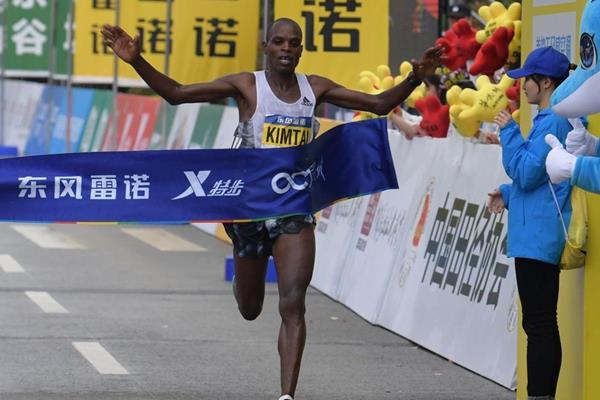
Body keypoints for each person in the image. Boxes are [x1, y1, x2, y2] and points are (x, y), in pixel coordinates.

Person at [102, 18, 442, 400]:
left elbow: (378, 104)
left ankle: (286, 395)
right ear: (266, 46)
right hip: (248, 208)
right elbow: (178, 93)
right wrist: (136, 61)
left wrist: (415, 77)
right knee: (250, 309)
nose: (286, 49)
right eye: (278, 42)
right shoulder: (247, 86)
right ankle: (244, 275)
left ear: (301, 49)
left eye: (293, 43)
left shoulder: (315, 88)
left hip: (293, 207)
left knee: (293, 302)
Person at [486, 46, 577, 400]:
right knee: (538, 323)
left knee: (539, 324)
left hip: (540, 237)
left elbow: (525, 172)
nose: (522, 86)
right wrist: (506, 194)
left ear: (546, 82)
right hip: (536, 233)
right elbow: (535, 180)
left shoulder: (553, 119)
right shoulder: (551, 118)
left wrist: (509, 132)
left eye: (528, 79)